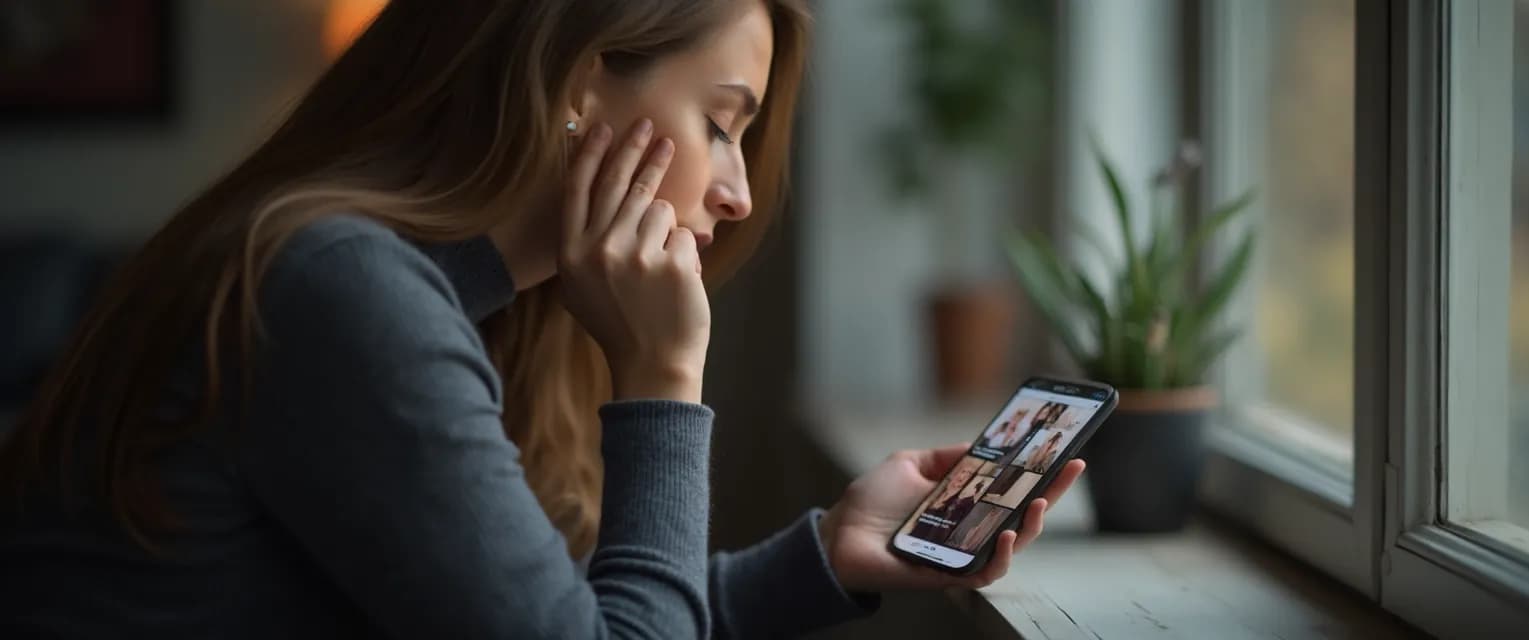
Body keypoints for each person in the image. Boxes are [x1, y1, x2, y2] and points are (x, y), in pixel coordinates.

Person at [0, 1, 1085, 638]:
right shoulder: (340, 291)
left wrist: (830, 553)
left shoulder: (442, 299)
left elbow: (561, 617)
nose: (738, 193)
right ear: (578, 78)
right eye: (721, 124)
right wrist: (662, 381)